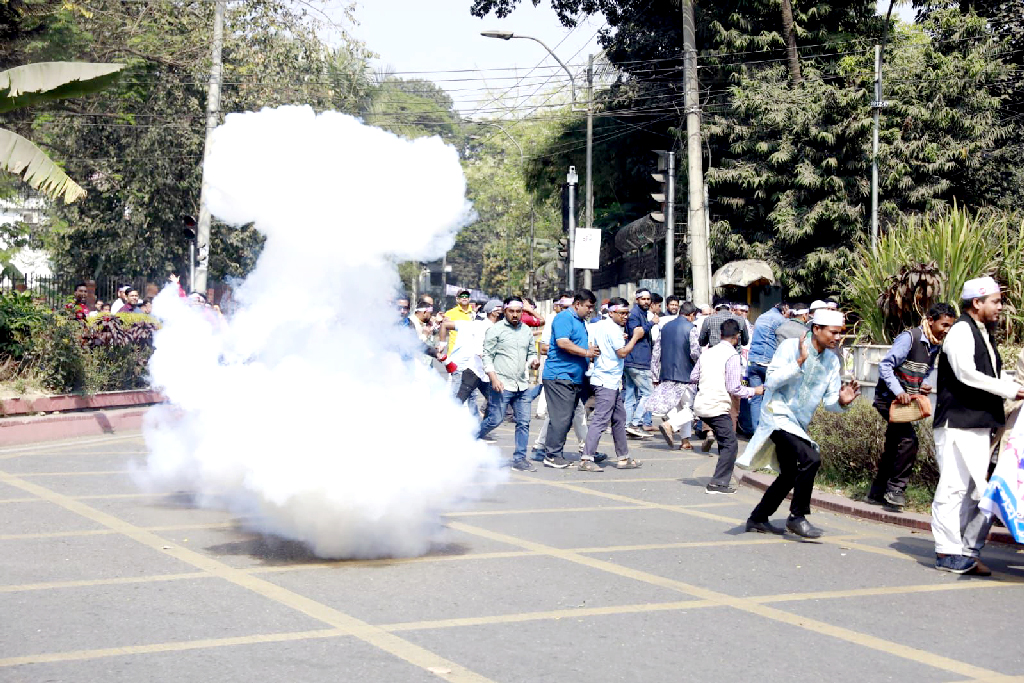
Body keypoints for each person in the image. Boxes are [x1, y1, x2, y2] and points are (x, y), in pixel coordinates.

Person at [739, 308, 860, 538]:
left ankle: (757, 519)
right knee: (811, 458)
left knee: (789, 474)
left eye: (840, 333)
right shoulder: (790, 347)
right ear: (816, 329)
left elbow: (830, 402)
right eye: (833, 333)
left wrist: (843, 402)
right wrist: (800, 361)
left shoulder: (833, 362)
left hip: (797, 424)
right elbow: (771, 381)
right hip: (776, 415)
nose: (837, 338)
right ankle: (797, 516)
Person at [930, 277, 1024, 575]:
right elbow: (966, 374)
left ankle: (965, 552)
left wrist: (1010, 386)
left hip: (980, 425)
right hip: (958, 423)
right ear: (977, 303)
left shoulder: (983, 333)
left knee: (975, 491)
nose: (1000, 307)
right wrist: (1008, 390)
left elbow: (991, 373)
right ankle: (947, 552)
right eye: (995, 301)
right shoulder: (960, 331)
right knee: (953, 488)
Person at [867, 303, 957, 510]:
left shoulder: (935, 346)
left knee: (893, 445)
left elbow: (923, 371)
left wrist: (920, 385)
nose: (946, 330)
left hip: (905, 401)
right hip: (888, 400)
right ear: (931, 320)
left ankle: (876, 492)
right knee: (909, 440)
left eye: (950, 326)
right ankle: (896, 489)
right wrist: (900, 392)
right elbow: (885, 366)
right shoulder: (910, 338)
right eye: (944, 324)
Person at [692, 318, 764, 494]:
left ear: (721, 334)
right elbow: (734, 388)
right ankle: (718, 483)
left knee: (726, 442)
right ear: (737, 337)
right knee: (731, 444)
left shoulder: (707, 352)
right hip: (717, 406)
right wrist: (755, 391)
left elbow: (693, 377)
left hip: (702, 403)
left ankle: (720, 479)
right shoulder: (732, 355)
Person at [577, 297, 646, 472]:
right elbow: (622, 352)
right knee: (600, 420)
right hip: (606, 380)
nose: (625, 317)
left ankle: (623, 457)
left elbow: (593, 342)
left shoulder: (598, 325)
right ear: (611, 312)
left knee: (619, 418)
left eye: (626, 313)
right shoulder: (613, 329)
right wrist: (635, 338)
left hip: (608, 379)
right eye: (622, 313)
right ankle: (586, 458)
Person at [477, 297, 541, 471]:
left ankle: (519, 459)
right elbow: (487, 355)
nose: (515, 315)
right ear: (505, 311)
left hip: (521, 385)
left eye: (518, 311)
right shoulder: (495, 330)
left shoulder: (526, 330)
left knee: (523, 422)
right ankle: (471, 440)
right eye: (511, 311)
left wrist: (533, 361)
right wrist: (494, 378)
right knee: (495, 419)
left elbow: (531, 352)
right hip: (502, 384)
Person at [541, 289, 600, 469]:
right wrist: (586, 352)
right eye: (588, 306)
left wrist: (590, 352)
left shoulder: (580, 321)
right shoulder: (564, 318)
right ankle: (552, 455)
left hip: (574, 377)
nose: (591, 310)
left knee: (567, 417)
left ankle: (552, 452)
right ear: (577, 304)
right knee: (561, 418)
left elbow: (579, 343)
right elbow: (563, 342)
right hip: (560, 376)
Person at [439, 300, 503, 419]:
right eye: (501, 309)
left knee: (495, 401)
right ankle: (444, 422)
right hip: (474, 370)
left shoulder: (500, 327)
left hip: (487, 373)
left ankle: (480, 429)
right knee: (459, 400)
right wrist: (442, 344)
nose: (503, 312)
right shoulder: (480, 326)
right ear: (493, 312)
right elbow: (480, 351)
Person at [650, 302, 700, 450]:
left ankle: (685, 442)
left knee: (680, 409)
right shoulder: (691, 329)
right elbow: (695, 353)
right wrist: (701, 368)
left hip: (666, 373)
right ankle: (669, 425)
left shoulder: (665, 328)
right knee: (693, 409)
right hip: (686, 375)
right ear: (691, 315)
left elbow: (656, 352)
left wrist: (655, 374)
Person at [746, 302, 790, 434]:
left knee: (756, 398)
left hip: (753, 361)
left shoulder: (761, 317)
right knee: (772, 397)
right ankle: (770, 432)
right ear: (784, 309)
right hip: (768, 363)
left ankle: (756, 432)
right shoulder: (780, 320)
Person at [623, 289, 657, 437]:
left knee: (631, 395)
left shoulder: (641, 314)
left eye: (648, 299)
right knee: (648, 393)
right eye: (643, 299)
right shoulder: (635, 315)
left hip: (634, 360)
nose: (646, 302)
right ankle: (635, 423)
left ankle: (627, 425)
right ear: (637, 300)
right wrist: (651, 323)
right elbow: (637, 333)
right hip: (637, 361)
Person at [444, 290, 474, 356]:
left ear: (469, 299)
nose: (464, 298)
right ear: (457, 299)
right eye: (462, 296)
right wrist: (442, 344)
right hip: (454, 353)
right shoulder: (450, 313)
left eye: (466, 296)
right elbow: (442, 330)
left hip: (470, 353)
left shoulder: (474, 313)